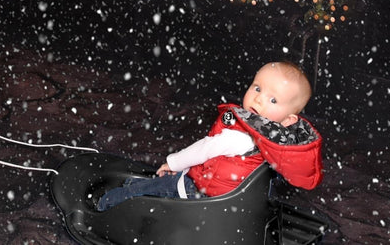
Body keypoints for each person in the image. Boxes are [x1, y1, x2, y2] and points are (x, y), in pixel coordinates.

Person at [97, 61, 322, 210]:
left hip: (201, 192)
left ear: (289, 119)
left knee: (151, 191)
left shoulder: (241, 138)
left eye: (273, 100)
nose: (259, 99)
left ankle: (107, 205)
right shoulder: (279, 142)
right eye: (257, 88)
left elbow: (204, 150)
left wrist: (172, 162)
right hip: (230, 195)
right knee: (178, 177)